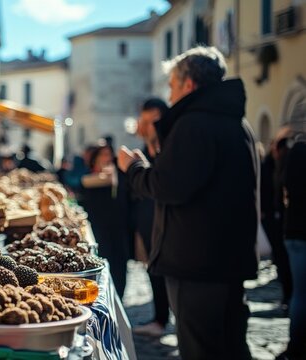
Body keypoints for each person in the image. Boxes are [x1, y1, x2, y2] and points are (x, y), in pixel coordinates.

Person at [118, 46, 257, 360]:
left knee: (203, 349)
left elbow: (167, 186)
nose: (169, 95)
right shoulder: (237, 124)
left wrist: (134, 168)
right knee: (231, 347)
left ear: (189, 85)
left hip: (198, 265)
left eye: (172, 86)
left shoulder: (195, 124)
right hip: (224, 260)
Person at [131, 98, 171, 338]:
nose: (146, 126)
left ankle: (162, 318)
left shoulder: (168, 145)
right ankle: (160, 317)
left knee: (163, 269)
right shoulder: (149, 144)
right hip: (148, 217)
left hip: (163, 218)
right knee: (153, 268)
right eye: (144, 121)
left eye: (151, 121)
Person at [81, 143, 130, 298]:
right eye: (103, 154)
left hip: (116, 226)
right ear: (95, 158)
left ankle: (118, 296)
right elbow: (86, 182)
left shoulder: (117, 174)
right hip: (98, 227)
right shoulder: (88, 176)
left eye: (109, 154)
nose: (107, 158)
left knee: (119, 264)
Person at [278, 132, 306, 360]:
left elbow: (285, 186)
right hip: (297, 232)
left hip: (295, 229)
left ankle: (296, 347)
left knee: (300, 294)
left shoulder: (297, 149)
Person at [261, 130, 293, 309]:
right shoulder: (271, 165)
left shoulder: (281, 166)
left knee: (284, 259)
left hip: (283, 221)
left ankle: (288, 296)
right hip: (277, 219)